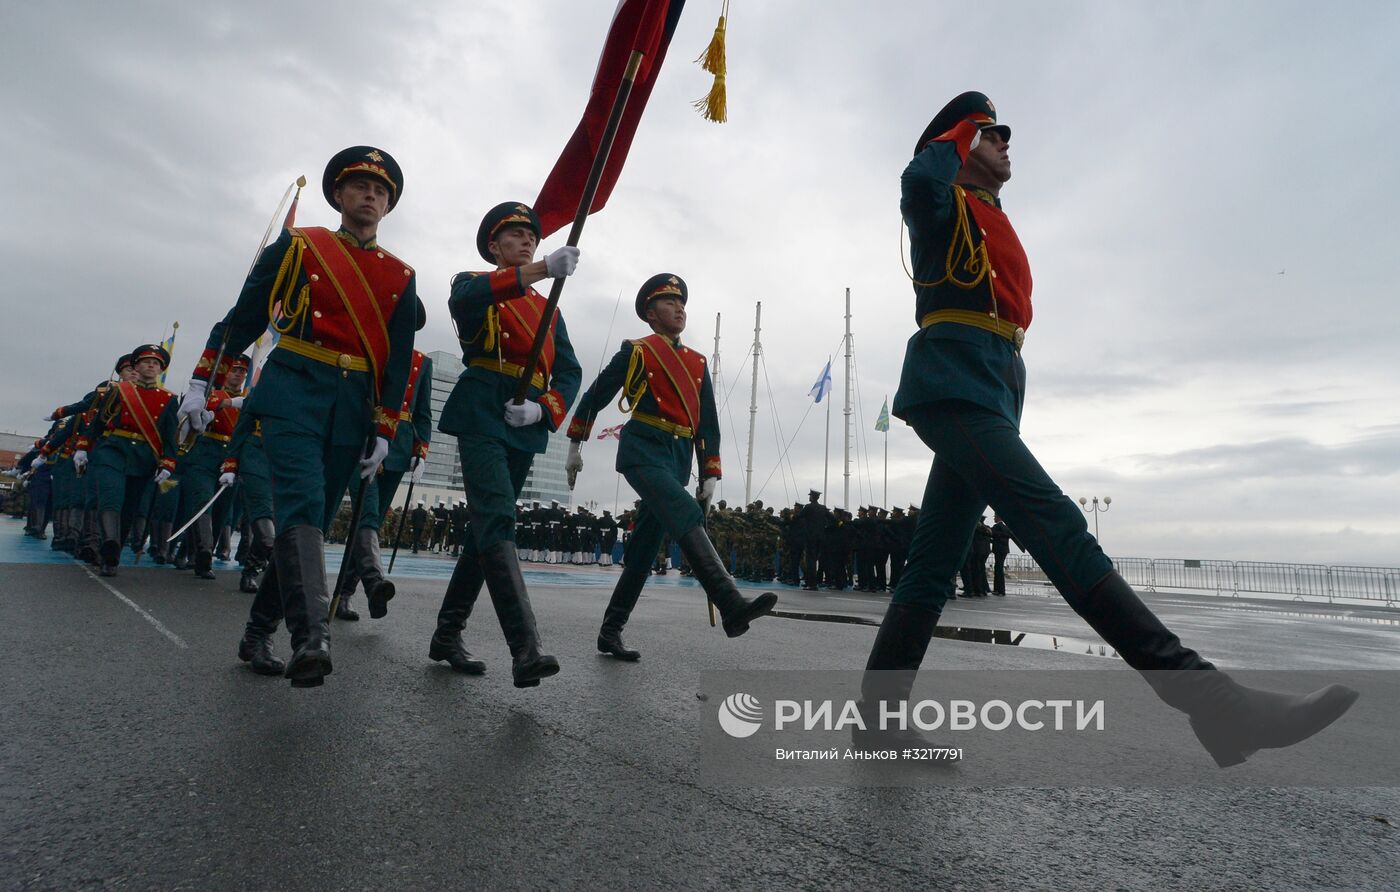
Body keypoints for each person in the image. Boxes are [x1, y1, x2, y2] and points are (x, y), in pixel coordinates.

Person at [856, 91, 1358, 765]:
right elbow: (917, 178)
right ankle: (1212, 702)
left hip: (993, 382)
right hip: (954, 380)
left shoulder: (989, 214)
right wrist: (954, 134)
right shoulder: (940, 203)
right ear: (957, 142)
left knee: (933, 565)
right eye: (989, 132)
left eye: (1002, 131)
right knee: (1056, 524)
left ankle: (877, 722)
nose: (1004, 140)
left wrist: (969, 138)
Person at [179, 146, 417, 688]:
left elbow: (397, 362)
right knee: (304, 506)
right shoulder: (300, 246)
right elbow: (245, 314)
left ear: (389, 205)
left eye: (380, 191)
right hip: (291, 392)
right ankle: (312, 637)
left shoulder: (400, 275)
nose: (370, 196)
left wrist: (385, 427)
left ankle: (258, 631)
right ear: (339, 195)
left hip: (351, 408)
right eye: (360, 186)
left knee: (306, 520)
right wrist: (202, 379)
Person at [564, 273, 777, 661]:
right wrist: (576, 444)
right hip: (643, 447)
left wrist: (710, 471)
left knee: (645, 549)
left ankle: (610, 632)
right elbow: (596, 395)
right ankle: (730, 603)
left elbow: (707, 421)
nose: (679, 309)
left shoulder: (696, 361)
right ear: (650, 313)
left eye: (681, 303)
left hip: (678, 455)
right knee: (683, 511)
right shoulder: (637, 350)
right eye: (668, 303)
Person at [428, 201, 581, 686]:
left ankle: (447, 634)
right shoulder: (473, 282)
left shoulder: (547, 307)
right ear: (494, 246)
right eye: (514, 236)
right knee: (496, 518)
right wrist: (539, 269)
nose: (527, 241)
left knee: (484, 532)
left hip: (524, 417)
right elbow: (467, 299)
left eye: (531, 237)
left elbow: (571, 370)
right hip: (482, 408)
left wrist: (545, 407)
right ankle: (526, 649)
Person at [330, 308, 432, 622]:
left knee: (369, 521)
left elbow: (423, 411)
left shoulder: (421, 362)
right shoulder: (367, 348)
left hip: (399, 448)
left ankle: (345, 594)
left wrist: (421, 451)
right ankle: (373, 581)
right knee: (369, 515)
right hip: (364, 438)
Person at [76, 344, 179, 576]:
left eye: (156, 363)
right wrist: (83, 446)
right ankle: (110, 542)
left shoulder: (169, 399)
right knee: (111, 497)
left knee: (129, 507)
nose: (151, 365)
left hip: (143, 456)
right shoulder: (120, 391)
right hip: (113, 450)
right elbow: (99, 421)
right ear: (136, 366)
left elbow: (169, 435)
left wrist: (168, 462)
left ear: (161, 369)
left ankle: (111, 556)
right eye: (146, 362)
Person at [990, 514, 1021, 595]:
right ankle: (999, 589)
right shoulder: (1006, 527)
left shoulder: (997, 527)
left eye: (995, 517)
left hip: (999, 550)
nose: (994, 519)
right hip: (1004, 550)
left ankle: (999, 590)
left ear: (998, 517)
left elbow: (992, 533)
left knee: (998, 569)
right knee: (998, 568)